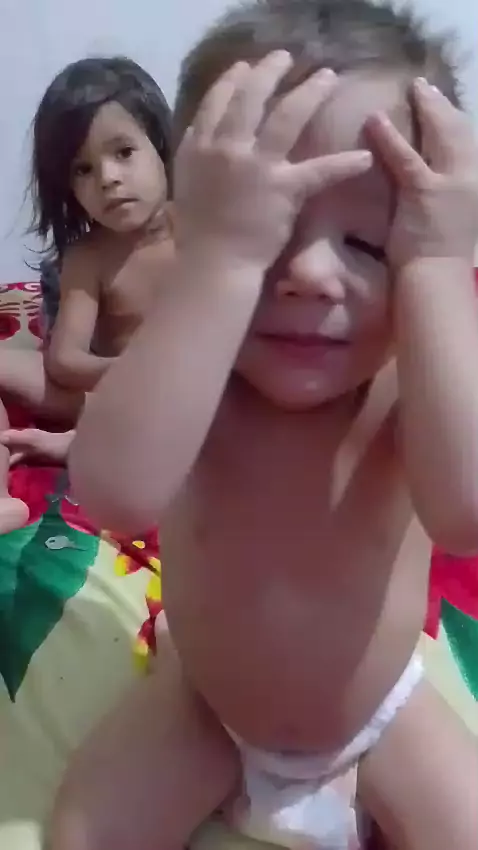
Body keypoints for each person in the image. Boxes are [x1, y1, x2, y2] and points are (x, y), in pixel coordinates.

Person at [49, 1, 478, 849]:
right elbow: (115, 493)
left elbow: (467, 514)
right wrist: (222, 266)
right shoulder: (195, 369)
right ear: (190, 227)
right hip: (205, 704)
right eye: (266, 231)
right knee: (82, 837)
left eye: (370, 243)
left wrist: (436, 267)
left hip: (377, 711)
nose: (311, 272)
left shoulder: (410, 377)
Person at [0, 55, 173, 533]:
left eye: (124, 152)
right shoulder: (88, 256)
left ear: (161, 146)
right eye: (83, 168)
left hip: (193, 402)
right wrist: (133, 372)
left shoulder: (203, 232)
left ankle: (82, 444)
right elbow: (65, 361)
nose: (108, 178)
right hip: (108, 399)